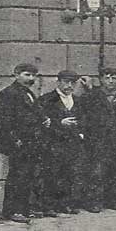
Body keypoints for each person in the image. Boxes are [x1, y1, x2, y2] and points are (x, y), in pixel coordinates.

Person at [0, 63, 54, 223]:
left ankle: (24, 210)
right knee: (17, 176)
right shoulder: (7, 94)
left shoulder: (28, 93)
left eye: (33, 75)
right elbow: (2, 122)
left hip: (32, 142)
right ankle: (13, 211)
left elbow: (33, 114)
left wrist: (44, 120)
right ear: (16, 75)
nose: (31, 79)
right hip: (18, 143)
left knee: (27, 176)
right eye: (27, 75)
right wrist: (15, 141)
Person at [80, 67, 116, 213]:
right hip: (98, 140)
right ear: (101, 80)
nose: (110, 81)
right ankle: (94, 202)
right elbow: (84, 117)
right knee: (96, 172)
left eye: (114, 78)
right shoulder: (90, 96)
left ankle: (115, 200)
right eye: (107, 78)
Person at [39, 70, 86, 215]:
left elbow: (85, 119)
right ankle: (48, 206)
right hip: (54, 143)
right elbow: (40, 121)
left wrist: (81, 133)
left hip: (72, 143)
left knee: (69, 174)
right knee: (52, 175)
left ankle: (65, 204)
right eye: (66, 82)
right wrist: (59, 123)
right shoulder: (46, 100)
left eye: (73, 83)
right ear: (58, 82)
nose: (69, 85)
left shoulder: (78, 100)